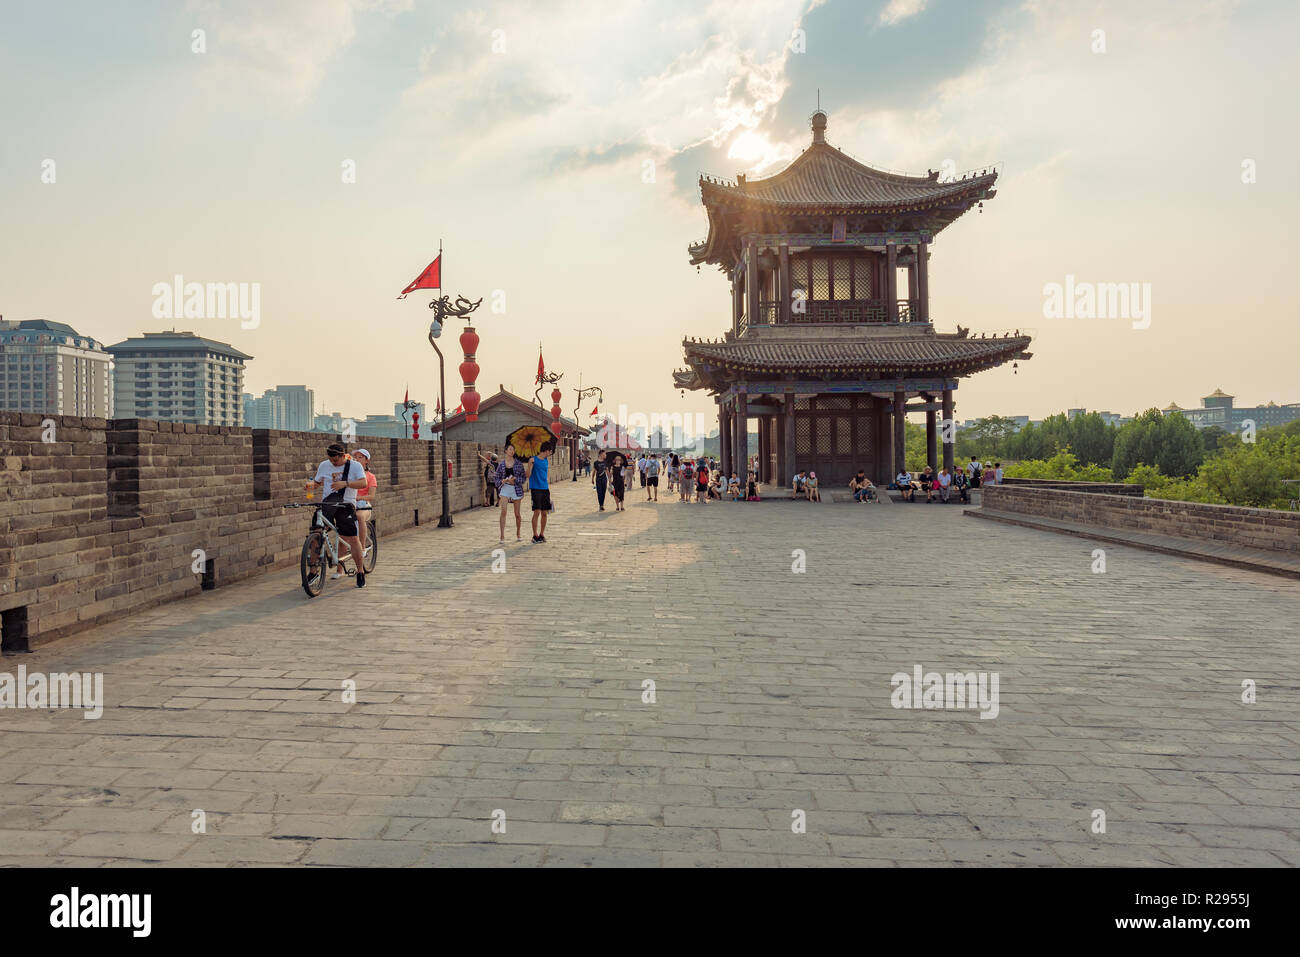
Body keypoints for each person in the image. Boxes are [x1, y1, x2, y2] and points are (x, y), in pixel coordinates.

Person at [309, 443, 369, 587]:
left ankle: (360, 571)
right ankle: (313, 571)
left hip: (346, 505)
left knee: (353, 538)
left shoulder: (354, 466)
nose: (333, 463)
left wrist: (345, 483)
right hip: (328, 504)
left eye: (335, 460)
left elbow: (363, 483)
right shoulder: (324, 465)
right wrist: (311, 485)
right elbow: (317, 482)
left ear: (343, 456)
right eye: (331, 460)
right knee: (316, 534)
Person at [482, 444, 526, 543]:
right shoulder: (501, 464)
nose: (512, 451)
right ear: (506, 451)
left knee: (517, 514)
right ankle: (502, 536)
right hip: (505, 488)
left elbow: (523, 478)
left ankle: (518, 534)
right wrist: (501, 481)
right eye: (510, 449)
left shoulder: (518, 464)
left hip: (516, 488)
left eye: (513, 450)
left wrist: (515, 480)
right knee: (503, 511)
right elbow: (496, 478)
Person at [353, 448, 378, 565]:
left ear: (366, 460)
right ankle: (339, 569)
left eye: (360, 457)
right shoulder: (351, 475)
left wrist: (359, 498)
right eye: (356, 457)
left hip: (364, 505)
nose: (357, 460)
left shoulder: (370, 476)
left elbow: (371, 496)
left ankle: (362, 547)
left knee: (359, 516)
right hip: (351, 504)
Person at [525, 440, 554, 543]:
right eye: (550, 451)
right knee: (536, 512)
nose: (550, 454)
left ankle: (542, 534)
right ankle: (535, 535)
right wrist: (530, 465)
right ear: (546, 450)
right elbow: (527, 475)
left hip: (545, 489)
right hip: (536, 489)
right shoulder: (533, 460)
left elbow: (546, 474)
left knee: (544, 513)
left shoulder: (546, 461)